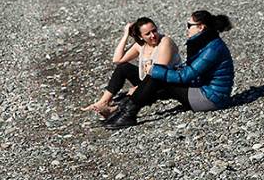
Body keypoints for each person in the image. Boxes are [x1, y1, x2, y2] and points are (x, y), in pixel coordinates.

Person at [106, 10, 234, 129]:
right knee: (157, 78)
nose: (187, 28)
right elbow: (192, 69)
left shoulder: (212, 48)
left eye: (189, 25)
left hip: (211, 98)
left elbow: (187, 75)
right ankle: (124, 109)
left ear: (201, 27)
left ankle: (127, 113)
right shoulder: (204, 42)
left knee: (157, 76)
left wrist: (154, 70)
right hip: (201, 88)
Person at [84, 17, 181, 118]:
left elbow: (159, 72)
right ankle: (103, 102)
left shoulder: (165, 42)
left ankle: (116, 110)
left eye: (154, 31)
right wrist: (125, 35)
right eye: (147, 34)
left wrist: (139, 88)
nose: (153, 35)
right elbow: (117, 59)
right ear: (140, 36)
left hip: (164, 84)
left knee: (134, 93)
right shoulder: (141, 45)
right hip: (147, 81)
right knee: (123, 67)